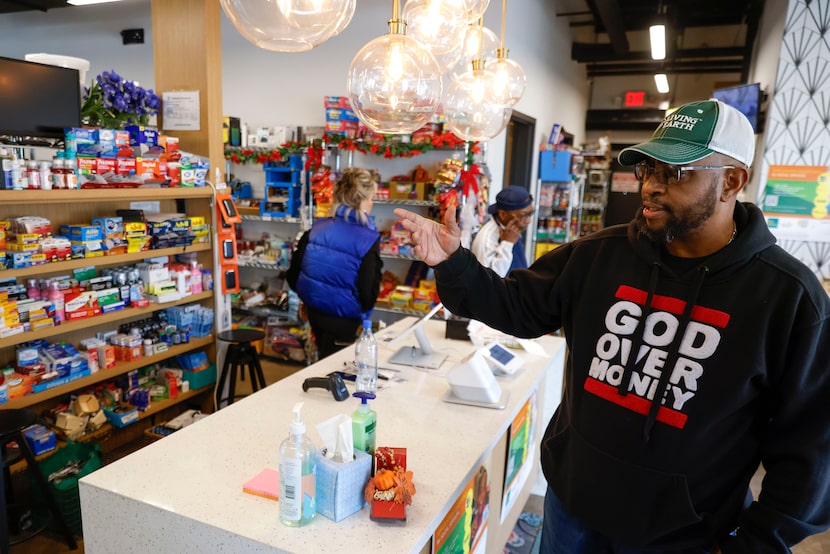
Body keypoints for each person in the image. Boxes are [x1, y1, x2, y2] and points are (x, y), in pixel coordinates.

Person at [393, 99, 830, 553]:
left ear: (732, 181)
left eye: (675, 173)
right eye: (648, 170)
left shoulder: (789, 298)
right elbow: (516, 306)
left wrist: (756, 544)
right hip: (571, 510)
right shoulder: (599, 254)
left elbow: (811, 454)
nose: (651, 188)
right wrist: (454, 263)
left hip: (683, 536)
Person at [287, 167, 382, 359]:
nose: (371, 204)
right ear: (361, 201)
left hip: (315, 315)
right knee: (339, 373)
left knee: (324, 363)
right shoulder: (367, 239)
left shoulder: (317, 228)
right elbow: (367, 294)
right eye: (370, 199)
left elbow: (293, 275)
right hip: (345, 321)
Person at [471, 185, 533, 276]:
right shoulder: (486, 239)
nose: (528, 221)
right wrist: (507, 244)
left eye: (530, 214)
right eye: (524, 215)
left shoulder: (512, 229)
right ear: (503, 214)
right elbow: (489, 282)